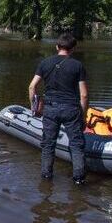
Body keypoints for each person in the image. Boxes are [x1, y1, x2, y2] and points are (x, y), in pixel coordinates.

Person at [28, 32, 89, 185]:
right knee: (76, 145)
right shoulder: (77, 65)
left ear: (57, 47)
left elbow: (32, 86)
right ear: (73, 49)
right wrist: (83, 114)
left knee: (48, 144)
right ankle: (78, 180)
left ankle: (46, 178)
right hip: (71, 109)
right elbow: (84, 94)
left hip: (50, 108)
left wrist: (34, 106)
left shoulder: (45, 63)